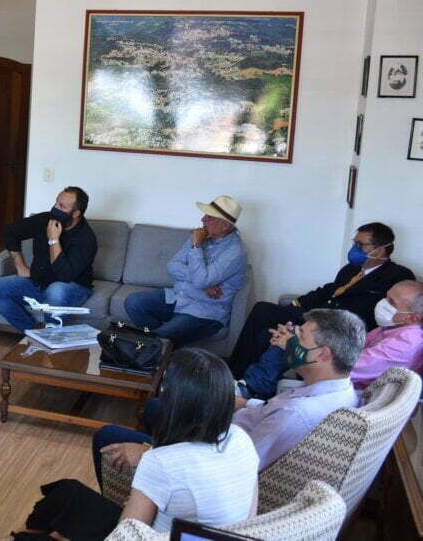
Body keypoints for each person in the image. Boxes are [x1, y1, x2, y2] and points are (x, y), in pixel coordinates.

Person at [93, 308, 366, 486]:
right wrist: (242, 403)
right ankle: (161, 452)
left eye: (300, 337)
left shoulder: (296, 415)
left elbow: (233, 467)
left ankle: (142, 495)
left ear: (323, 354)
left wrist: (149, 455)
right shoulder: (339, 389)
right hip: (231, 428)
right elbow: (269, 413)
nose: (291, 340)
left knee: (108, 436)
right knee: (157, 407)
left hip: (214, 450)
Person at [5, 349, 258, 541]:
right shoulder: (240, 439)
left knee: (67, 494)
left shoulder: (162, 463)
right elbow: (250, 519)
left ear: (176, 403)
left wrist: (132, 505)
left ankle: (25, 535)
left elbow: (124, 537)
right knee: (68, 498)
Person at [229, 222, 414, 376]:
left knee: (265, 322)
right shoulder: (350, 269)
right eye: (354, 243)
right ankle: (237, 375)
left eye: (361, 245)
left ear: (380, 250)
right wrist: (296, 304)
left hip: (339, 326)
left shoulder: (397, 276)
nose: (354, 249)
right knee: (264, 320)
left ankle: (241, 377)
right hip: (317, 315)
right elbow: (328, 290)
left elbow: (382, 310)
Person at [236, 280, 423, 398]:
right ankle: (252, 386)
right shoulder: (393, 327)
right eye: (386, 297)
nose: (383, 303)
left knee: (290, 340)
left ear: (413, 317)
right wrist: (299, 336)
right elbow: (353, 346)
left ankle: (251, 388)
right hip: (336, 368)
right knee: (292, 333)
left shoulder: (406, 344)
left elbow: (347, 367)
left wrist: (295, 344)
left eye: (392, 302)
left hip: (343, 387)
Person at [123, 195, 247, 346]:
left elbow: (201, 280)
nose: (202, 219)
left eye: (209, 217)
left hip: (204, 311)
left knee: (160, 338)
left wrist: (196, 246)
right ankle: (162, 345)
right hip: (178, 298)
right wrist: (203, 283)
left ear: (225, 225)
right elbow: (172, 265)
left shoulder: (234, 252)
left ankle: (160, 344)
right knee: (133, 302)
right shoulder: (200, 236)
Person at [0, 187, 98, 332]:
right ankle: (33, 331)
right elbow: (10, 231)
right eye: (56, 203)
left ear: (76, 213)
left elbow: (64, 276)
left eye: (62, 206)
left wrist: (53, 240)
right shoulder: (45, 220)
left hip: (73, 287)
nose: (55, 208)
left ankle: (50, 335)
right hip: (39, 281)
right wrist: (20, 265)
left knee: (55, 291)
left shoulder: (86, 239)